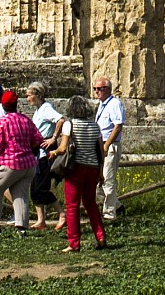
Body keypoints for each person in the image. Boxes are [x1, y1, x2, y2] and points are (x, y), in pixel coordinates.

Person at [47, 95, 107, 253]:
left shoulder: (69, 124)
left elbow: (63, 148)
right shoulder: (95, 126)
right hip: (93, 168)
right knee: (91, 203)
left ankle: (74, 242)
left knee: (72, 206)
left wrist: (53, 153)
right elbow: (101, 152)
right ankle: (100, 235)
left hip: (76, 168)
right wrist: (101, 173)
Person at [0, 88, 42, 235]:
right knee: (20, 193)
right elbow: (38, 139)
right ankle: (22, 227)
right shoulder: (25, 119)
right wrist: (25, 147)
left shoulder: (2, 122)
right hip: (28, 164)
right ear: (16, 104)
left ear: (3, 105)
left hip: (10, 163)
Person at [26, 84, 62, 222]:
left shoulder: (47, 108)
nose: (27, 98)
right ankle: (41, 219)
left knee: (41, 188)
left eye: (29, 95)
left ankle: (61, 213)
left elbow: (60, 120)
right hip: (36, 153)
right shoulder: (38, 110)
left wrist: (53, 138)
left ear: (37, 94)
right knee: (34, 187)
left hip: (44, 154)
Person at [93, 77, 126, 223]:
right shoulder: (101, 105)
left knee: (107, 179)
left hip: (109, 145)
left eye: (99, 89)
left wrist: (107, 145)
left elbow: (118, 125)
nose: (96, 92)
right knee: (98, 181)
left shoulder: (114, 104)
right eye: (95, 89)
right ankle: (117, 206)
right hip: (100, 145)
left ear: (108, 89)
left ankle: (109, 213)